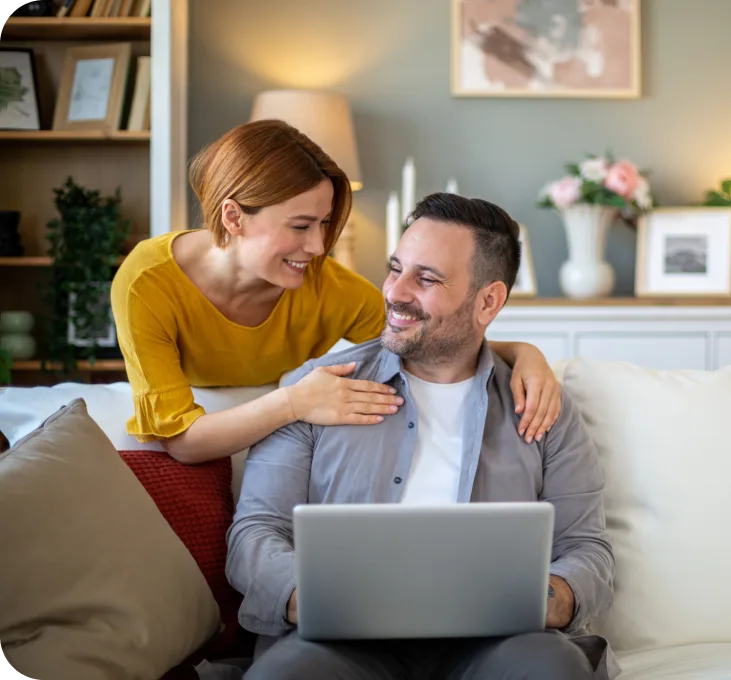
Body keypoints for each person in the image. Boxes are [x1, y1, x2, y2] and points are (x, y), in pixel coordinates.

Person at [226, 193, 617, 680]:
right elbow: (254, 533)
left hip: (498, 645)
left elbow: (587, 547)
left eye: (426, 278)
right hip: (340, 643)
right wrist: (312, 598)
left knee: (550, 669)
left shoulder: (541, 408)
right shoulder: (316, 390)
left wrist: (551, 599)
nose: (394, 291)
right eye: (395, 269)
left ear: (488, 301)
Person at [110, 120, 561, 464]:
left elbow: (427, 341)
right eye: (301, 226)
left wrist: (522, 352)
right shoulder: (147, 283)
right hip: (210, 434)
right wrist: (294, 400)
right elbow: (182, 442)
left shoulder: (327, 286)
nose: (318, 246)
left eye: (324, 223)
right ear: (233, 217)